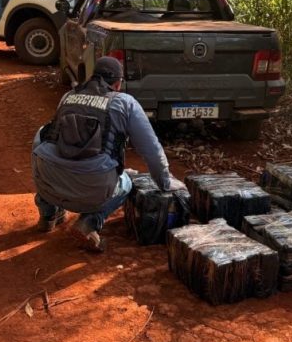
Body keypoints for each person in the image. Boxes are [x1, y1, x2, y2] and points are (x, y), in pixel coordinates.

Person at [31, 56, 184, 252]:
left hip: (50, 183)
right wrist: (164, 182)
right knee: (126, 182)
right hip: (93, 190)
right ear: (118, 83)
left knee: (43, 136)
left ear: (93, 77)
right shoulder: (125, 102)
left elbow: (55, 136)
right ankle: (89, 222)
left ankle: (48, 215)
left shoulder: (68, 96)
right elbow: (151, 149)